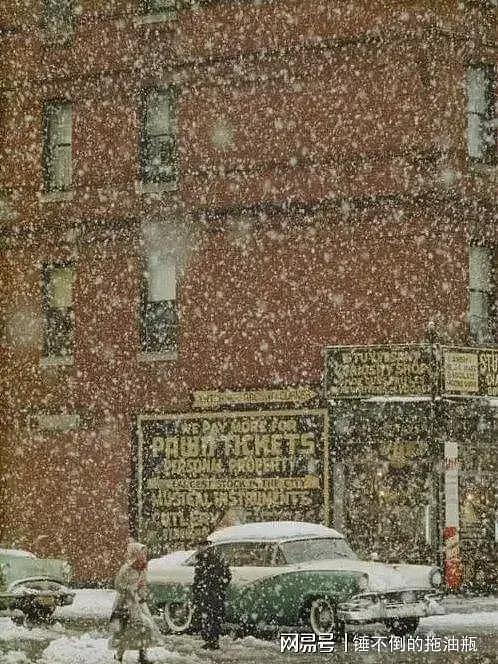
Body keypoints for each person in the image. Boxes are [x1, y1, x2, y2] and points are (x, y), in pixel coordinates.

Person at [109, 540, 163, 663]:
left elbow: (143, 583)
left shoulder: (143, 568)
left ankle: (142, 654)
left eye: (145, 553)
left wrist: (142, 593)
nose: (144, 556)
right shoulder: (126, 569)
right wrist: (128, 590)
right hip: (126, 602)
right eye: (142, 553)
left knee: (146, 627)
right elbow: (117, 585)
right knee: (127, 629)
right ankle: (119, 654)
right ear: (135, 553)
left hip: (139, 602)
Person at [192, 539, 231, 650]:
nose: (198, 548)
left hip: (211, 594)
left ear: (206, 546)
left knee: (211, 618)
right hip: (207, 594)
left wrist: (216, 588)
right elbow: (198, 578)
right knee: (208, 618)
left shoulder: (213, 559)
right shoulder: (202, 559)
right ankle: (210, 640)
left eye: (200, 546)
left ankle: (213, 641)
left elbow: (226, 576)